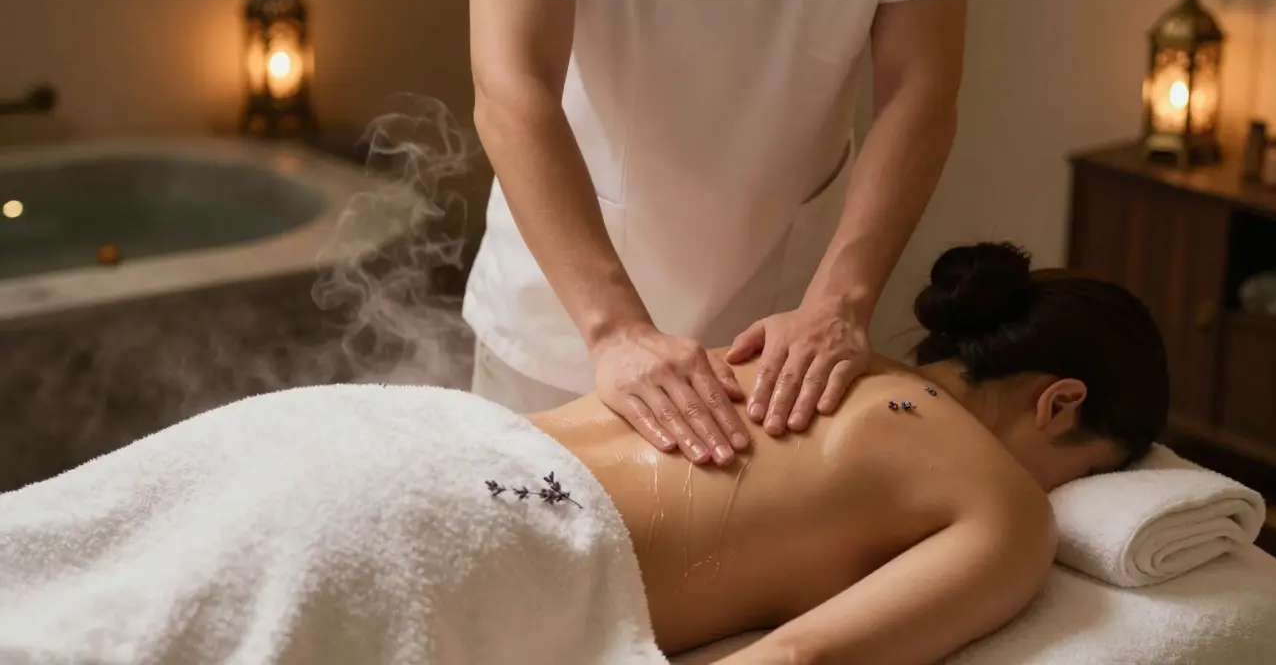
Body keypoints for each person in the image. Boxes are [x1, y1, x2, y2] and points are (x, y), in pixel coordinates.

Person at [0, 242, 1170, 665]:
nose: (1068, 505)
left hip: (372, 433)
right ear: (1058, 405)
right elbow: (802, 660)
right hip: (478, 530)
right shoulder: (1001, 511)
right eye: (1093, 472)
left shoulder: (799, 354)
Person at [446, 0, 986, 466]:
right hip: (567, 310)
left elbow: (921, 87)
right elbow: (511, 82)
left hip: (779, 321)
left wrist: (839, 302)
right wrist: (617, 330)